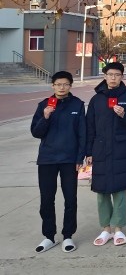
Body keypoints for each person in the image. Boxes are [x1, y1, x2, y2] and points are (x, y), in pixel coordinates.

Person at [86, 62, 126, 247]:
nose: (113, 78)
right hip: (100, 150)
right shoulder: (96, 100)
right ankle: (105, 229)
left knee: (119, 189)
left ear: (122, 76)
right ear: (105, 76)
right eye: (110, 74)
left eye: (117, 75)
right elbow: (89, 127)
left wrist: (124, 114)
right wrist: (88, 151)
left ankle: (118, 228)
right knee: (101, 190)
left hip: (121, 150)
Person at [31, 71, 86, 254]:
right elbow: (36, 132)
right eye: (58, 84)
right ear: (52, 86)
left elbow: (82, 133)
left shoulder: (77, 104)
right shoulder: (44, 105)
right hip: (47, 159)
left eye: (65, 84)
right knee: (47, 199)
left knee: (70, 199)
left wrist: (80, 157)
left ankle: (68, 235)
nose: (62, 87)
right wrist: (45, 116)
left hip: (69, 159)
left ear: (70, 86)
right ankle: (49, 236)